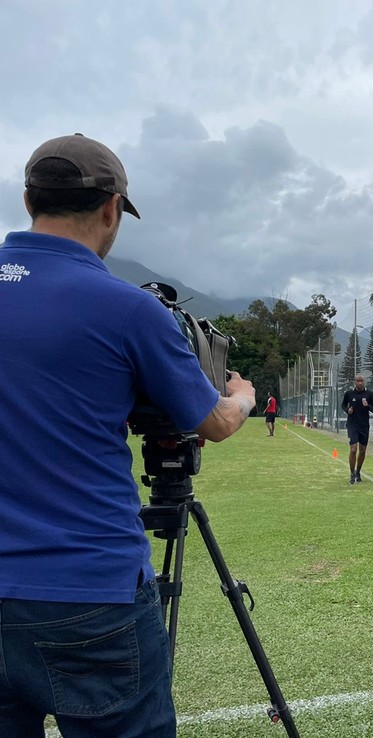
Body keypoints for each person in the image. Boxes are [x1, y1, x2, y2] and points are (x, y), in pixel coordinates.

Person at [0, 134, 256, 737]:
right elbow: (213, 424)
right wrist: (241, 397)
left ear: (29, 198)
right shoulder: (128, 309)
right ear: (113, 208)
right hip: (91, 595)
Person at [341, 374, 373, 484]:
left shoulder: (369, 394)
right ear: (354, 382)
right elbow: (343, 405)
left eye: (362, 381)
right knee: (353, 449)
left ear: (364, 382)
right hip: (352, 425)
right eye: (358, 381)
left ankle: (358, 471)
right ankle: (352, 473)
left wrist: (368, 406)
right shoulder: (349, 394)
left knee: (362, 450)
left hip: (364, 426)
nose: (360, 383)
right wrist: (348, 410)